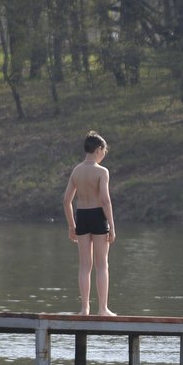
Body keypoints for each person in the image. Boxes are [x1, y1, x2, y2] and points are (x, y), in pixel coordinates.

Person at [62, 131, 117, 315]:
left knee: (85, 265)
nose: (104, 155)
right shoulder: (102, 171)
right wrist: (112, 226)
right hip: (98, 216)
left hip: (82, 216)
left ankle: (84, 308)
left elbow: (66, 201)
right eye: (104, 151)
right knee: (102, 264)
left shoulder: (76, 171)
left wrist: (72, 225)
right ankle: (102, 308)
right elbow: (105, 200)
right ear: (98, 149)